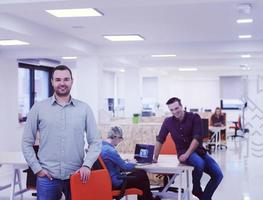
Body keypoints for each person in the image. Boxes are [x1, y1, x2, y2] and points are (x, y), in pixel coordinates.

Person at [22, 65, 102, 200]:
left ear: (72, 81)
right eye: (58, 79)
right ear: (52, 81)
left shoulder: (84, 109)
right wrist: (37, 169)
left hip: (76, 175)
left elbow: (95, 141)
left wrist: (87, 165)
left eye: (66, 79)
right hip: (47, 177)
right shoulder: (38, 108)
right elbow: (26, 142)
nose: (62, 83)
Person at [153, 97, 223, 200]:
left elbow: (197, 138)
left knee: (218, 175)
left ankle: (201, 195)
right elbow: (160, 139)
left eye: (176, 108)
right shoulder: (168, 122)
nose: (175, 112)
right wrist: (155, 157)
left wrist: (187, 155)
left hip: (198, 151)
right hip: (182, 152)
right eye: (171, 110)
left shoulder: (194, 117)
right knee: (199, 163)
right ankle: (197, 189)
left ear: (181, 106)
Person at [101, 126, 160, 200]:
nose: (120, 141)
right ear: (116, 137)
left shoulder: (101, 147)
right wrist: (132, 162)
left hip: (107, 182)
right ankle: (150, 199)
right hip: (117, 182)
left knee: (140, 180)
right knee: (142, 174)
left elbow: (111, 163)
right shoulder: (110, 151)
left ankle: (149, 198)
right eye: (120, 139)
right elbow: (126, 167)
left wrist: (122, 161)